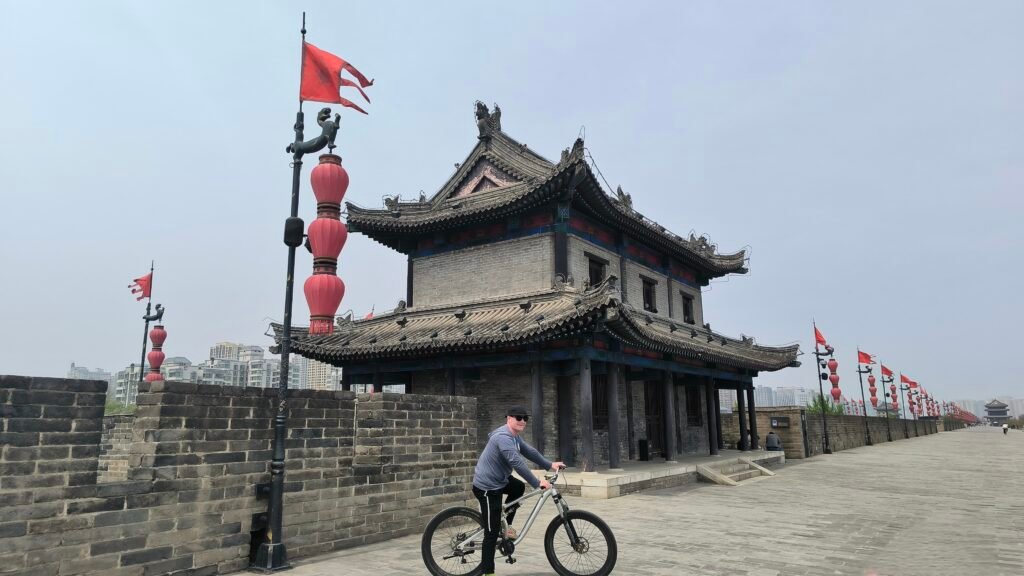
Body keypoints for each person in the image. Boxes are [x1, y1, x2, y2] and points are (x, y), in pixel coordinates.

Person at [472, 406, 564, 576]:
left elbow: (530, 451)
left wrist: (550, 464)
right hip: (487, 487)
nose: (522, 421)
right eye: (518, 417)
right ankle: (488, 572)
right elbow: (517, 463)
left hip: (500, 480)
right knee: (491, 534)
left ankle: (507, 526)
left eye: (525, 418)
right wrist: (537, 483)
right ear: (509, 418)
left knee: (519, 487)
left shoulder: (514, 436)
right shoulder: (503, 437)